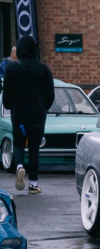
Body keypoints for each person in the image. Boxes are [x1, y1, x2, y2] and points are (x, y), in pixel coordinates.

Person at [2, 36, 54, 195]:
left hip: (19, 115)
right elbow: (50, 95)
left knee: (18, 144)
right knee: (34, 148)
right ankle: (33, 184)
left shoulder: (12, 68)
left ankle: (19, 166)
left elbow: (7, 94)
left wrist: (9, 105)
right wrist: (43, 107)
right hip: (37, 116)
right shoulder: (44, 69)